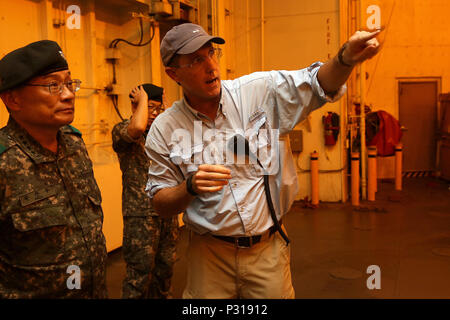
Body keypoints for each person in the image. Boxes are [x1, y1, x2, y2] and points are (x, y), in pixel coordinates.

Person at [145, 23, 381, 298]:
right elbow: (160, 203)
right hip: (208, 256)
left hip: (267, 251)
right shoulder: (165, 129)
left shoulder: (257, 93)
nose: (211, 66)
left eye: (211, 53)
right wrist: (189, 187)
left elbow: (318, 83)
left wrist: (345, 59)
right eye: (197, 60)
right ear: (174, 74)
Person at [0, 40, 107, 298]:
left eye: (69, 83)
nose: (69, 94)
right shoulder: (4, 163)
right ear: (13, 99)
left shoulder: (74, 143)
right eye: (53, 85)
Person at [112, 84, 179, 299]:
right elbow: (137, 128)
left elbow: (180, 131)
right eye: (149, 107)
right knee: (139, 276)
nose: (154, 113)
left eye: (157, 109)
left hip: (167, 211)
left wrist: (165, 110)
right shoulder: (123, 129)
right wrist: (141, 102)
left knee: (165, 271)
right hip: (140, 215)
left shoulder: (162, 133)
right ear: (135, 105)